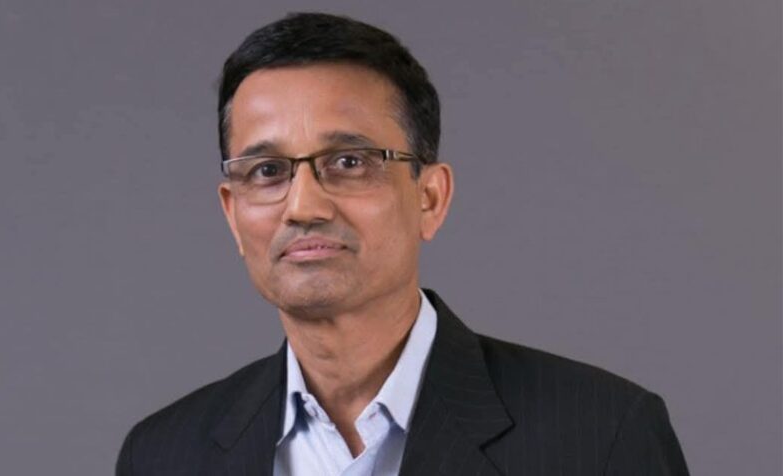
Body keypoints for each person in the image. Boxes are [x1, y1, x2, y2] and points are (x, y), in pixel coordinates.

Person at [116, 12, 689, 476]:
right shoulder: (164, 455)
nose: (304, 206)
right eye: (267, 171)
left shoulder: (602, 436)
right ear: (232, 214)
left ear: (430, 198)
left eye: (348, 162)